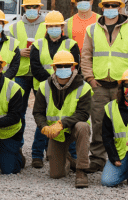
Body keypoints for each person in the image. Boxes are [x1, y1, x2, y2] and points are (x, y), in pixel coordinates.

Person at [80, 0, 128, 173]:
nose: (110, 9)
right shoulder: (92, 30)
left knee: (124, 123)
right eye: (107, 6)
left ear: (119, 7)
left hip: (122, 86)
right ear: (102, 8)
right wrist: (90, 79)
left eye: (113, 6)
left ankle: (125, 158)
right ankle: (98, 158)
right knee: (98, 122)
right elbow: (86, 56)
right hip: (99, 85)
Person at [28, 10, 80, 169]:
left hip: (66, 88)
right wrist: (53, 83)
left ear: (62, 27)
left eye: (57, 26)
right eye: (51, 26)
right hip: (43, 89)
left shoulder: (71, 44)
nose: (54, 28)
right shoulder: (37, 45)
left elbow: (75, 67)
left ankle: (72, 155)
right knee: (43, 119)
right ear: (46, 27)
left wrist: (62, 84)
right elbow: (35, 68)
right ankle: (37, 155)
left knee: (65, 119)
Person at [31, 50, 91, 187]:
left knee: (83, 126)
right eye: (60, 66)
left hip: (74, 128)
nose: (63, 69)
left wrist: (62, 124)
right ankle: (68, 161)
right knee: (55, 174)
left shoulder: (84, 87)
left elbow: (83, 114)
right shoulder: (44, 86)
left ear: (73, 67)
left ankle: (81, 171)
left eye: (67, 66)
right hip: (56, 133)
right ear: (54, 68)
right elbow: (38, 112)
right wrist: (44, 127)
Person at [6, 0, 48, 154]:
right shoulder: (14, 27)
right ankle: (17, 148)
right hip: (21, 74)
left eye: (34, 7)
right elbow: (8, 49)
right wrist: (18, 51)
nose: (31, 10)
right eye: (28, 7)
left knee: (43, 114)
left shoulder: (47, 25)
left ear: (39, 8)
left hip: (41, 74)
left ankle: (39, 151)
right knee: (18, 113)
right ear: (24, 8)